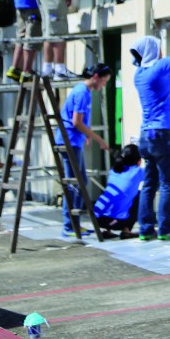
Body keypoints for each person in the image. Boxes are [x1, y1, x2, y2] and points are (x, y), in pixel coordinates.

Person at [131, 34, 170, 242]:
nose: (161, 52)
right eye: (158, 48)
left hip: (146, 135)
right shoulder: (156, 70)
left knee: (149, 183)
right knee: (169, 183)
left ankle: (145, 229)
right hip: (164, 133)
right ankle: (166, 228)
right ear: (151, 51)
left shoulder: (139, 74)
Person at [56, 63, 113, 239]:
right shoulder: (82, 93)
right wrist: (99, 139)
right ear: (96, 76)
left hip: (74, 141)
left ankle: (74, 224)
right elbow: (76, 122)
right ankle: (69, 225)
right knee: (76, 184)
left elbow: (80, 121)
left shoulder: (83, 91)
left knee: (80, 182)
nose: (103, 85)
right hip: (69, 141)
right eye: (104, 81)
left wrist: (86, 134)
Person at [93, 144, 144, 239]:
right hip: (116, 222)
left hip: (97, 219)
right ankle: (126, 230)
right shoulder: (137, 172)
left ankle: (107, 231)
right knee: (140, 195)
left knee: (118, 196)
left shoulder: (114, 170)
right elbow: (154, 173)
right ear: (139, 161)